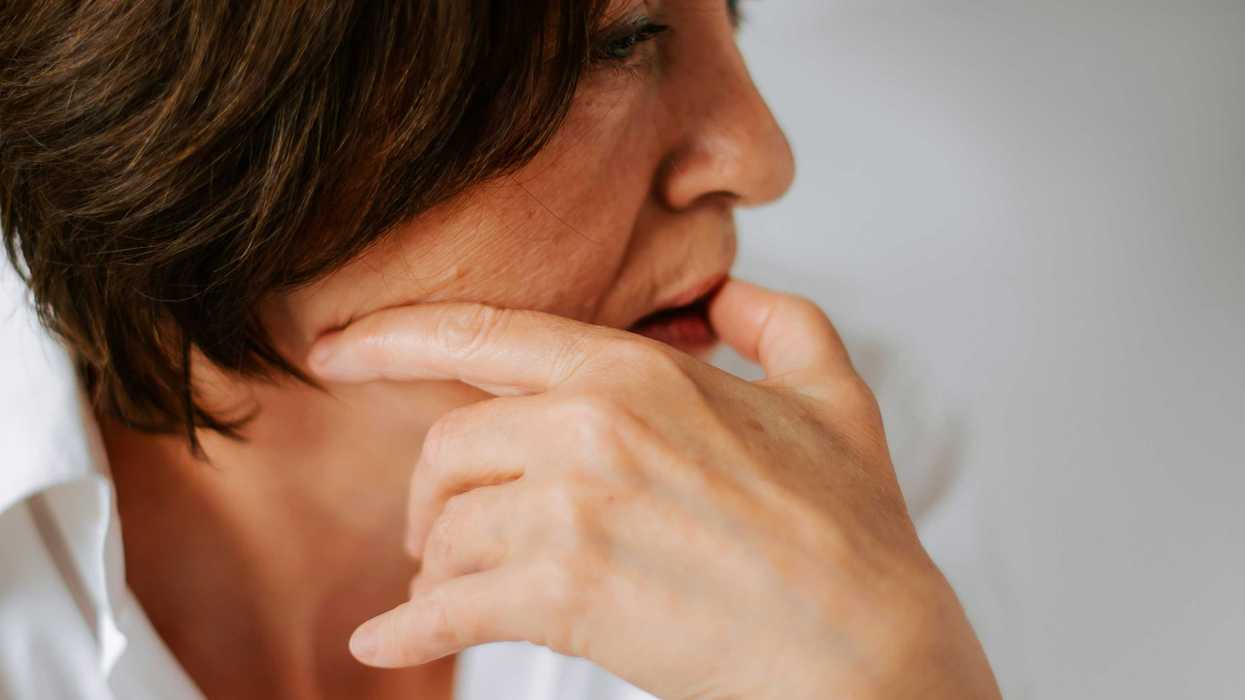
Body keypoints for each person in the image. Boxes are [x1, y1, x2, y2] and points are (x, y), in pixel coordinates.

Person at [0, 1, 1002, 698]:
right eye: (620, 40)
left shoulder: (828, 481)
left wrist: (888, 676)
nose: (759, 155)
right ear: (211, 122)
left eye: (728, 13)